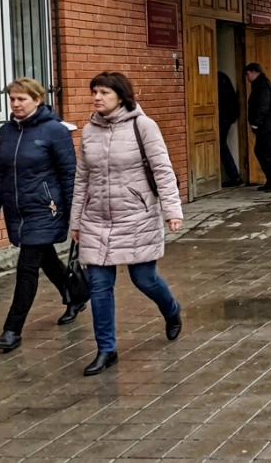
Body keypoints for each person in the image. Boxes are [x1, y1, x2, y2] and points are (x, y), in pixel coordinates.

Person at [70, 72, 184, 376]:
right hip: (96, 219)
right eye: (94, 92)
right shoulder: (89, 131)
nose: (97, 97)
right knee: (99, 286)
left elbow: (162, 169)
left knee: (144, 279)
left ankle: (172, 311)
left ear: (120, 95)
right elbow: (82, 178)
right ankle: (106, 350)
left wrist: (172, 210)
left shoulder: (142, 126)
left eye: (104, 92)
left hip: (136, 215)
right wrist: (76, 221)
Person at [0, 78, 81, 353]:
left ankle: (11, 330)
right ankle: (77, 294)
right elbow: (0, 173)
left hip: (46, 208)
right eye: (12, 99)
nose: (15, 104)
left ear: (37, 100)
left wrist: (75, 213)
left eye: (21, 99)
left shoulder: (55, 131)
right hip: (19, 209)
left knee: (27, 267)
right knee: (46, 258)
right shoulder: (6, 131)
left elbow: (69, 175)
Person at [244, 63, 271, 192]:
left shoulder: (262, 85)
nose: (246, 77)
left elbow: (263, 105)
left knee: (269, 154)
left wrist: (256, 122)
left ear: (254, 72)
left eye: (247, 74)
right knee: (262, 152)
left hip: (269, 126)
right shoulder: (259, 84)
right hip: (267, 126)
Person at [218, 72, 242, 187]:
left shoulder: (218, 78)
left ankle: (234, 176)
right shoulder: (222, 77)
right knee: (221, 146)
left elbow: (224, 101)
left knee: (221, 146)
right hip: (227, 117)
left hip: (223, 118)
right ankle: (234, 176)